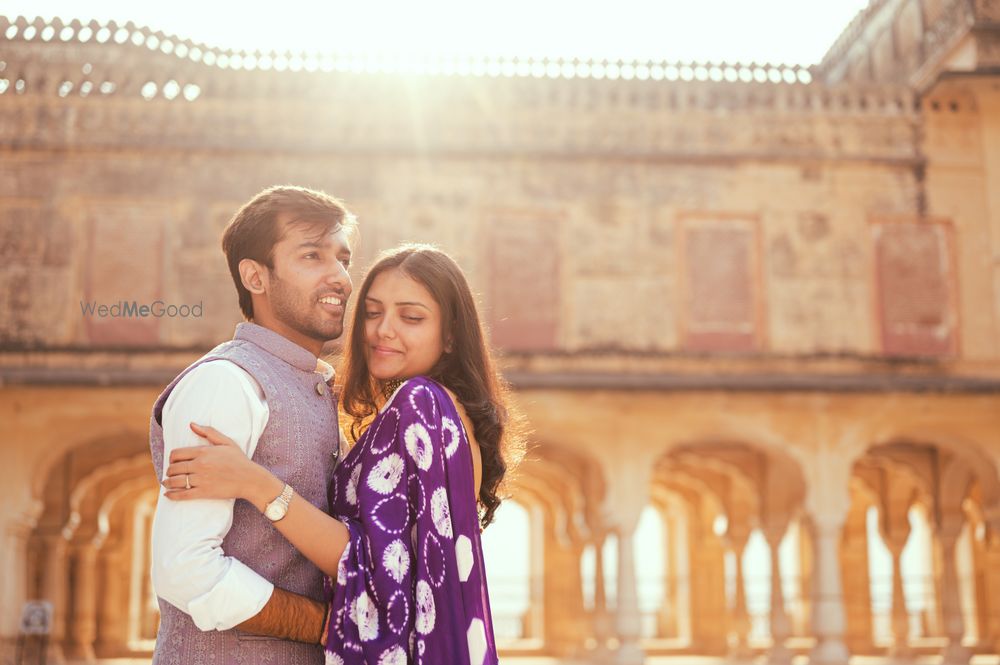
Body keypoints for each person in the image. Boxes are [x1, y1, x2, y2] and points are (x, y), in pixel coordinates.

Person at [161, 244, 523, 665]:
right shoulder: (453, 411)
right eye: (372, 312)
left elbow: (380, 566)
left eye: (411, 317)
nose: (383, 330)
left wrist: (256, 483)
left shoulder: (418, 403)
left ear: (450, 335)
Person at [148, 185, 356, 665]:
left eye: (342, 258)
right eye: (312, 256)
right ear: (255, 277)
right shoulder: (226, 383)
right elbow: (186, 570)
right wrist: (325, 625)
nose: (340, 277)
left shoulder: (321, 389)